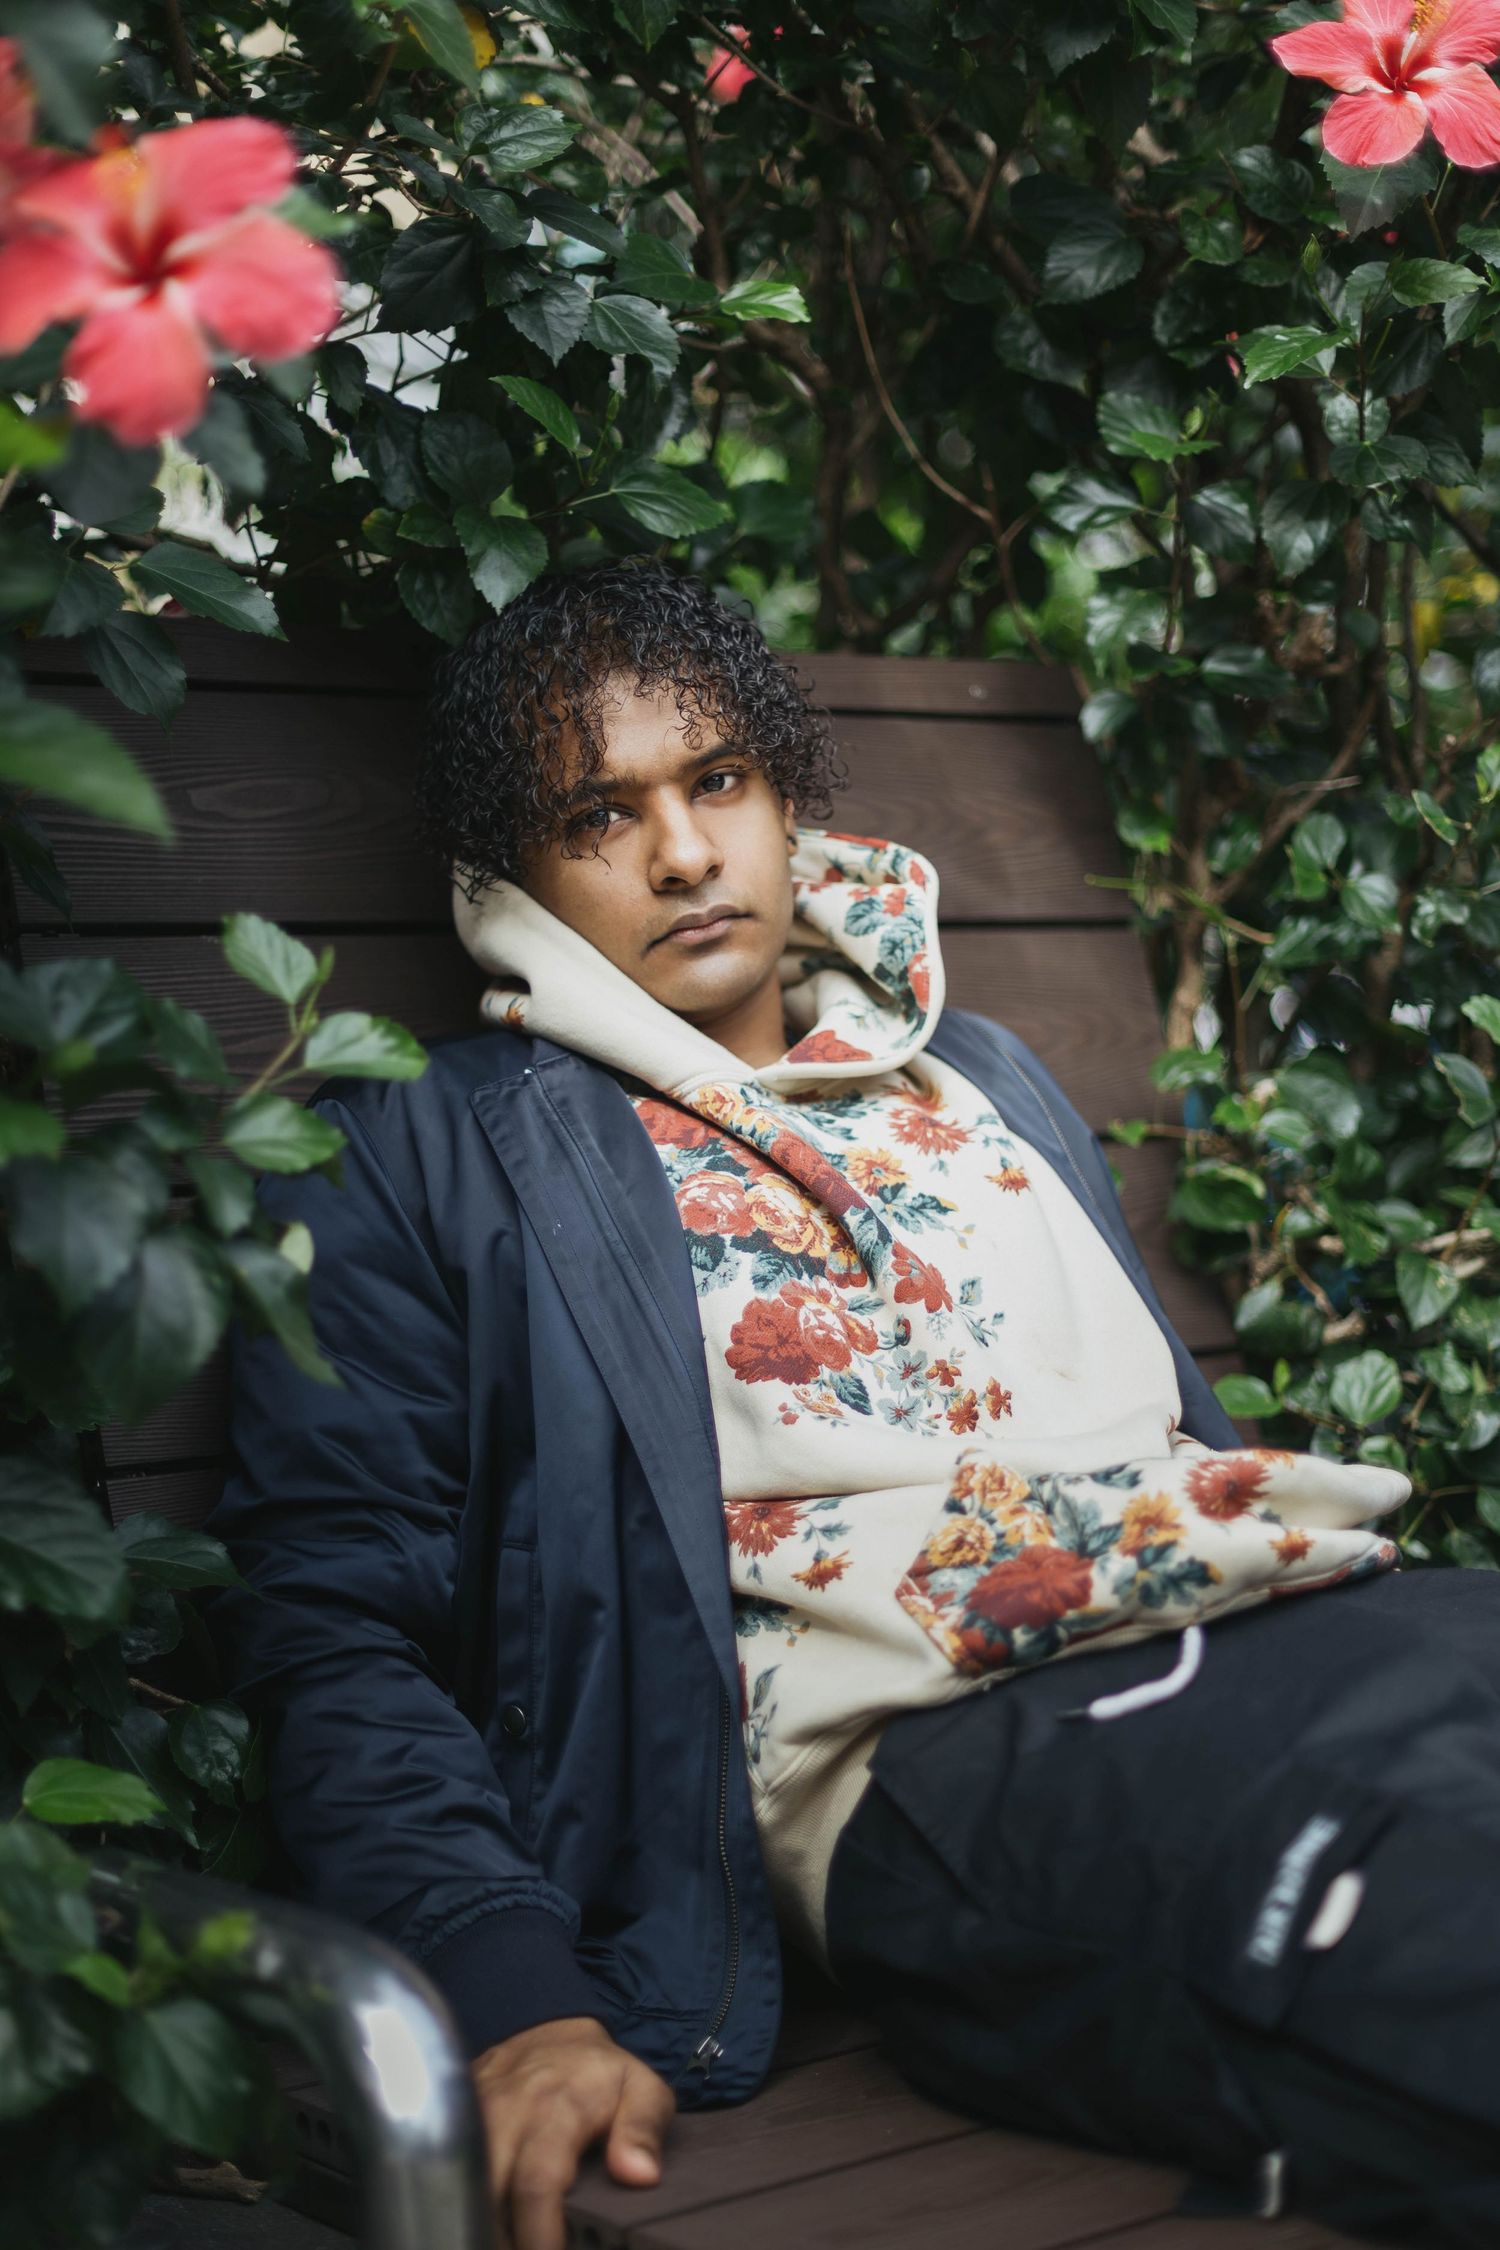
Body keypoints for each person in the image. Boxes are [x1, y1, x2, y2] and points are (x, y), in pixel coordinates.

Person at [210, 563, 1500, 2250]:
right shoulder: (430, 1149)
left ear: (785, 796)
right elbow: (334, 1631)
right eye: (600, 814)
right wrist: (515, 1994)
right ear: (510, 873)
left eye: (718, 780)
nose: (685, 853)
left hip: (1301, 1621)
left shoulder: (982, 1078)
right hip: (964, 1750)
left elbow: (1183, 1431)